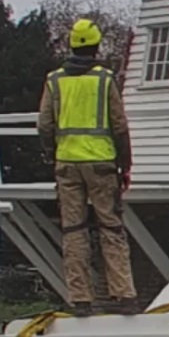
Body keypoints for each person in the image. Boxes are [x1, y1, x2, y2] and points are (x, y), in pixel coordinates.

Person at [37, 19, 136, 316]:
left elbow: (45, 124)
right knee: (111, 227)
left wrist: (51, 154)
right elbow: (119, 125)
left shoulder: (54, 80)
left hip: (67, 164)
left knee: (74, 229)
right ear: (95, 46)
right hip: (102, 162)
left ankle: (80, 298)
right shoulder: (105, 80)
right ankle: (124, 294)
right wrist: (125, 164)